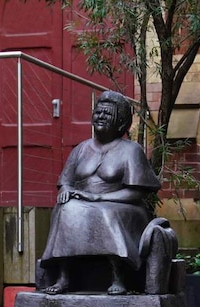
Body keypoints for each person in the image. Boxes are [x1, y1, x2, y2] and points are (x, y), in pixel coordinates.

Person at [40, 91, 162, 295]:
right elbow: (65, 182)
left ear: (122, 123)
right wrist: (66, 191)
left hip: (122, 205)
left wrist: (100, 198)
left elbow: (137, 193)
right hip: (82, 202)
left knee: (106, 213)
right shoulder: (81, 148)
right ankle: (63, 276)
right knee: (66, 209)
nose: (101, 117)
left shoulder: (131, 150)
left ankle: (119, 276)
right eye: (98, 112)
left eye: (108, 113)